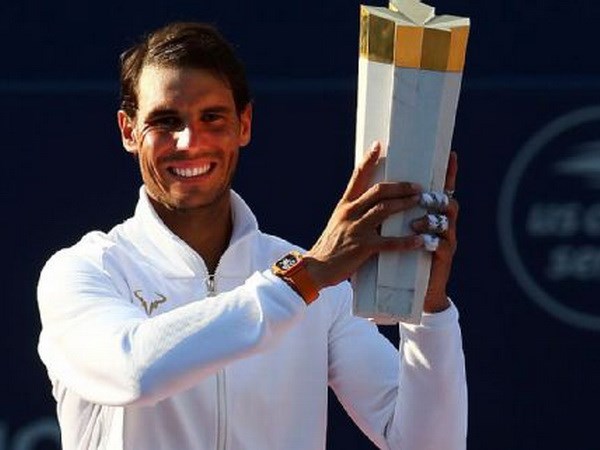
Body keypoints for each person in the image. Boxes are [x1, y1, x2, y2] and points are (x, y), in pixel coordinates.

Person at [36, 22, 467, 450]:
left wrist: (429, 314)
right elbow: (134, 370)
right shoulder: (83, 271)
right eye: (166, 121)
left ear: (244, 124)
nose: (190, 142)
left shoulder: (318, 288)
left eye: (212, 118)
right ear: (129, 131)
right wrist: (304, 279)